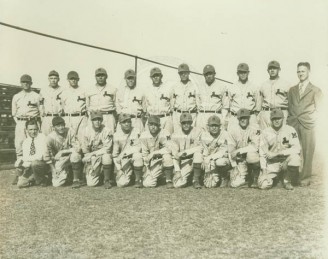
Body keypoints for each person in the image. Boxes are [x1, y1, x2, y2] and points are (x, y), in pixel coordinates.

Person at [287, 62, 323, 186]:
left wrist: (312, 120)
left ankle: (305, 178)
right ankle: (293, 177)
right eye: (298, 71)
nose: (300, 74)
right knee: (293, 149)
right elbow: (289, 106)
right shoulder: (292, 90)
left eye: (303, 71)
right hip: (294, 123)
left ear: (308, 72)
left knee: (308, 151)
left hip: (308, 124)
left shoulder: (316, 90)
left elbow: (321, 110)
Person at [258, 109, 301, 190]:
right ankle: (277, 178)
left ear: (283, 119)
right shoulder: (265, 132)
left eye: (279, 118)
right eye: (274, 119)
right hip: (272, 163)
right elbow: (262, 153)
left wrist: (279, 154)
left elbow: (297, 148)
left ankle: (287, 180)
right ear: (271, 120)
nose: (276, 121)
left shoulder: (290, 130)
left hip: (285, 161)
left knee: (296, 158)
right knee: (263, 185)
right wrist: (264, 172)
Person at [12, 74, 42, 184]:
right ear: (21, 83)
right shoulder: (16, 96)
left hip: (33, 121)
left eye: (28, 82)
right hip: (20, 122)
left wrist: (36, 123)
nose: (26, 84)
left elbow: (41, 111)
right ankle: (19, 173)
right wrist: (20, 123)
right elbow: (14, 113)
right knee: (19, 146)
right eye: (24, 82)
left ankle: (32, 172)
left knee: (34, 145)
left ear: (31, 83)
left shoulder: (36, 96)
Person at [44, 117, 83, 188]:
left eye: (62, 125)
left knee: (76, 155)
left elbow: (77, 148)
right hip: (59, 160)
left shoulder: (70, 131)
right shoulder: (50, 137)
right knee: (57, 184)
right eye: (58, 126)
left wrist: (63, 151)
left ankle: (76, 180)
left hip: (70, 156)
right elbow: (47, 156)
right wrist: (53, 169)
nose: (61, 128)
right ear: (53, 127)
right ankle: (68, 175)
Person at [227, 109, 261, 188]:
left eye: (245, 118)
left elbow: (255, 147)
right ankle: (245, 178)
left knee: (252, 156)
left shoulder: (255, 128)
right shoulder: (233, 130)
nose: (243, 120)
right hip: (240, 160)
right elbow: (231, 150)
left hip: (252, 156)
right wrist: (234, 166)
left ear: (249, 118)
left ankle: (255, 177)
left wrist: (239, 150)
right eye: (241, 118)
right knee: (234, 184)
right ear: (238, 119)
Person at [81, 111, 114, 189]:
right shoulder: (86, 130)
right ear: (91, 121)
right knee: (91, 184)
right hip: (92, 157)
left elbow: (107, 148)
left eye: (99, 119)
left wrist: (94, 153)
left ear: (102, 120)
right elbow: (85, 150)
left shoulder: (107, 130)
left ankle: (107, 180)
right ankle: (95, 173)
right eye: (95, 120)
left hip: (102, 154)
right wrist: (88, 162)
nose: (97, 122)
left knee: (107, 157)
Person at [140, 115, 174, 188]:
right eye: (151, 124)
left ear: (159, 125)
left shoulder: (165, 132)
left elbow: (169, 148)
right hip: (152, 161)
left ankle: (168, 179)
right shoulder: (144, 135)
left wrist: (154, 153)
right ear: (148, 125)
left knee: (167, 156)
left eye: (155, 125)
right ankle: (159, 176)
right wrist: (146, 167)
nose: (153, 127)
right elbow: (144, 153)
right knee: (148, 184)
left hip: (162, 159)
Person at [170, 113, 203, 188]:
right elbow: (175, 155)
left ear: (191, 123)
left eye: (188, 122)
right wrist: (178, 171)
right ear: (180, 123)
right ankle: (189, 176)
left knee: (198, 154)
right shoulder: (175, 134)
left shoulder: (198, 131)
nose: (186, 125)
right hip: (184, 161)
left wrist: (185, 152)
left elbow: (200, 147)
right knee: (178, 184)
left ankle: (196, 180)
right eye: (184, 123)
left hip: (194, 158)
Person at [112, 114, 144, 188]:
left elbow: (139, 147)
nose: (127, 124)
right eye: (124, 122)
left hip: (133, 156)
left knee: (137, 155)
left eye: (128, 122)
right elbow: (115, 155)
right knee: (121, 184)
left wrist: (124, 153)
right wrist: (119, 169)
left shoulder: (136, 131)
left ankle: (138, 179)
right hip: (124, 159)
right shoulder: (116, 135)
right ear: (119, 124)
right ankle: (129, 175)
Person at [16, 120, 49, 188]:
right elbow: (25, 157)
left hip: (42, 165)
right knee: (20, 184)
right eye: (30, 129)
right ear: (26, 130)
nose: (33, 132)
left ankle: (43, 178)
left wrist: (26, 160)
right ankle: (36, 179)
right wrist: (21, 161)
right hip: (30, 166)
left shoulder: (42, 138)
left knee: (35, 163)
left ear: (38, 129)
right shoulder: (26, 141)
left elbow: (40, 157)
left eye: (35, 129)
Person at [258, 61, 291, 129]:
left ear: (279, 70)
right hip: (266, 113)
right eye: (270, 68)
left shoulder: (286, 84)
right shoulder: (263, 85)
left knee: (281, 136)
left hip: (281, 112)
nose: (272, 70)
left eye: (275, 68)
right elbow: (260, 102)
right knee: (266, 136)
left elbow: (291, 102)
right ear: (267, 70)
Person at [227, 63, 260, 129]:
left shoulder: (254, 87)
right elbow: (229, 104)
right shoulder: (232, 87)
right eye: (240, 72)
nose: (242, 74)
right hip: (235, 117)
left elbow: (258, 105)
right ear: (237, 73)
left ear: (248, 73)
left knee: (253, 137)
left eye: (244, 72)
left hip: (250, 117)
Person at [201, 115, 231, 188]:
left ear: (220, 126)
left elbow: (223, 152)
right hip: (210, 161)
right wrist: (204, 159)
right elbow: (204, 150)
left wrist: (210, 158)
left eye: (216, 126)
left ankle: (225, 176)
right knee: (210, 185)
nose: (214, 128)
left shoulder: (225, 134)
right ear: (208, 127)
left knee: (220, 162)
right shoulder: (204, 135)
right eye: (212, 126)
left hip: (222, 159)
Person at [197, 65, 229, 131]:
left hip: (216, 114)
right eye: (206, 74)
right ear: (204, 75)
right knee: (201, 137)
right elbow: (198, 104)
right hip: (202, 115)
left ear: (214, 74)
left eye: (210, 74)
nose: (208, 76)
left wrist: (223, 119)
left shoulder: (222, 86)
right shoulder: (199, 87)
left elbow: (225, 106)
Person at [86, 68, 117, 133]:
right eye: (98, 75)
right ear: (95, 77)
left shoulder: (113, 89)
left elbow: (116, 105)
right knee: (93, 137)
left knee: (109, 136)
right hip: (94, 117)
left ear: (106, 76)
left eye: (102, 75)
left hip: (108, 116)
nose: (100, 77)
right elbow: (87, 106)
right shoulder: (89, 89)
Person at [143, 67, 174, 134]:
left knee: (167, 141)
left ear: (161, 76)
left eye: (157, 75)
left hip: (165, 118)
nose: (155, 77)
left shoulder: (168, 89)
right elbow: (145, 107)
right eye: (153, 76)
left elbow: (172, 105)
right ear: (151, 77)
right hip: (152, 119)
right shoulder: (147, 90)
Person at [60, 71, 88, 142]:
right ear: (68, 80)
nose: (73, 80)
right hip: (69, 118)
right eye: (71, 79)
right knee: (69, 139)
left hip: (81, 117)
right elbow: (62, 106)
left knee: (82, 139)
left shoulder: (84, 91)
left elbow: (87, 105)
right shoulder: (64, 92)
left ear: (78, 79)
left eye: (75, 78)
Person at [171, 63, 200, 132]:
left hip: (191, 114)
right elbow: (172, 103)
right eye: (181, 73)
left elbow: (198, 104)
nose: (183, 75)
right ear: (179, 74)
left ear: (189, 73)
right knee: (178, 134)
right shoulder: (175, 86)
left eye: (185, 73)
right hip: (178, 114)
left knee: (192, 135)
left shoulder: (195, 86)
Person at [39, 70, 64, 135]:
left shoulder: (63, 90)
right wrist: (42, 117)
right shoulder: (43, 90)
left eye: (55, 78)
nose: (53, 80)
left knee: (58, 138)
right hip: (47, 117)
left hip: (58, 117)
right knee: (45, 138)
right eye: (51, 78)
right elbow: (41, 104)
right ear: (48, 79)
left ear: (58, 79)